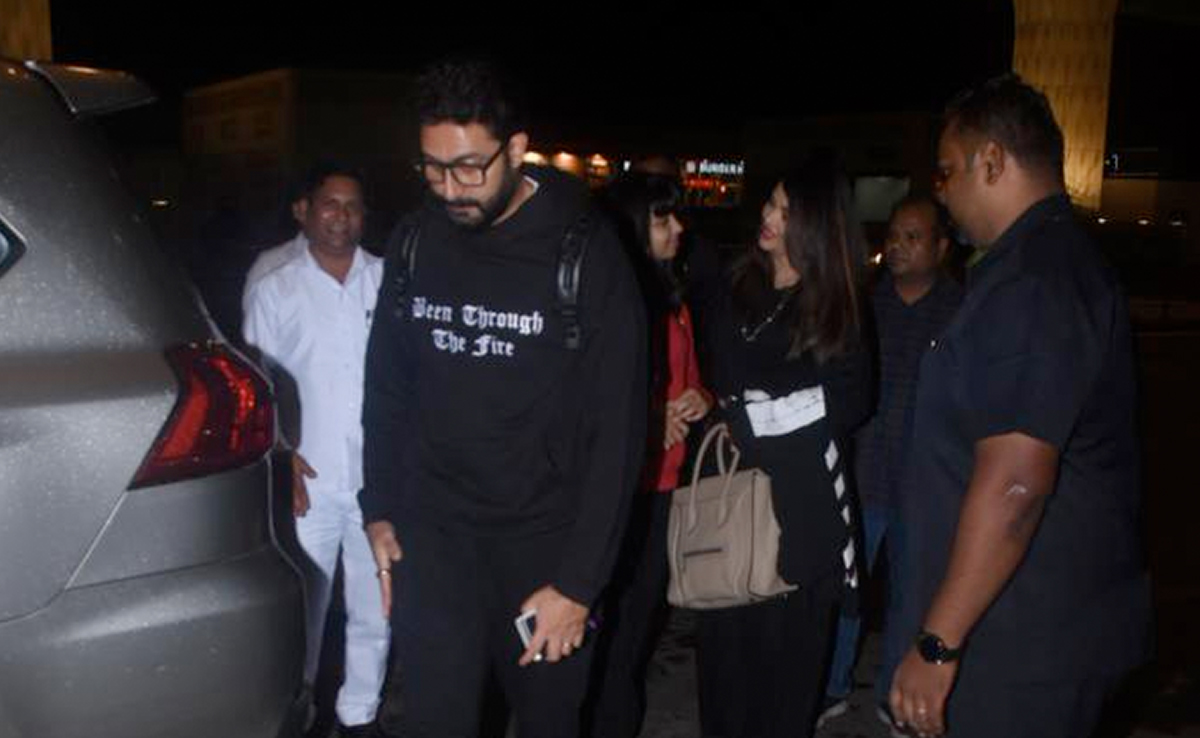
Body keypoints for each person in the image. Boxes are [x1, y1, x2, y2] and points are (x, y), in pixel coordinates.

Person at [357, 58, 646, 738]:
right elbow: (388, 386)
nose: (449, 189)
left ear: (516, 149)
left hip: (544, 549)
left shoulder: (587, 254)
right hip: (436, 542)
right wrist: (380, 506)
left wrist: (579, 585)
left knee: (548, 722)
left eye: (468, 168)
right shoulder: (415, 241)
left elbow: (619, 432)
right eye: (432, 168)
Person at [886, 74, 1152, 738]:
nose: (941, 193)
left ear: (992, 161)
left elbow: (1016, 483)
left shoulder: (1035, 280)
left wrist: (938, 643)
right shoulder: (1039, 263)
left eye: (947, 172)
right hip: (1028, 625)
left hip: (1022, 639)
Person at [692, 153, 873, 738]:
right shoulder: (734, 284)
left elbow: (849, 401)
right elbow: (712, 378)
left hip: (800, 516)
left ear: (818, 225)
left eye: (787, 211)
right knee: (723, 678)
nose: (768, 218)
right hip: (728, 509)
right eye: (770, 203)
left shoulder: (835, 306)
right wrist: (701, 401)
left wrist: (748, 416)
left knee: (784, 686)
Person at [242, 163, 389, 738]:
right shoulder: (276, 284)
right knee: (305, 611)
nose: (341, 216)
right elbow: (255, 384)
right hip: (308, 477)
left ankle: (360, 716)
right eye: (331, 203)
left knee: (376, 607)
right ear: (306, 210)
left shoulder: (387, 280)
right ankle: (296, 719)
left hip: (377, 479)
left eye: (353, 205)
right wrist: (280, 453)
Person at [818, 195, 962, 731]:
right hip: (862, 476)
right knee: (846, 592)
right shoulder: (865, 306)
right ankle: (831, 687)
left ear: (941, 247)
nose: (897, 246)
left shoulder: (962, 311)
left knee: (912, 597)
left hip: (927, 485)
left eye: (912, 237)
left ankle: (893, 696)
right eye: (894, 235)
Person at [587, 173, 711, 738]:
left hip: (664, 489)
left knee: (635, 633)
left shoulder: (674, 298)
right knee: (602, 634)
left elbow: (695, 380)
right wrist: (646, 423)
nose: (678, 228)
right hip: (613, 491)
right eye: (663, 219)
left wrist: (700, 398)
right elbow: (584, 401)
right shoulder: (607, 298)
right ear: (635, 226)